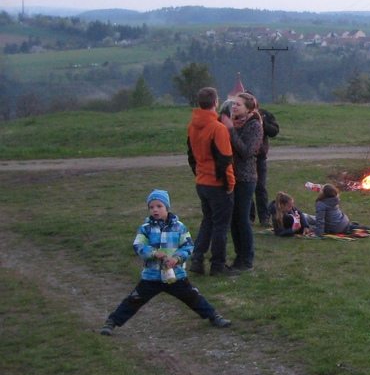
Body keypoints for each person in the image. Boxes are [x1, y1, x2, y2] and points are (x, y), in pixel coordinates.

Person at [100, 189, 231, 335]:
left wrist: (177, 259)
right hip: (151, 277)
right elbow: (138, 246)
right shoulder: (145, 229)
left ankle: (213, 316)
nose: (155, 210)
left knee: (193, 297)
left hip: (176, 275)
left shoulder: (179, 227)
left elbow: (188, 246)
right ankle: (112, 322)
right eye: (151, 207)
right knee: (134, 300)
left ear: (167, 207)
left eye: (159, 206)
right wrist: (153, 253)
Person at [186, 86, 238, 277]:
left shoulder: (192, 126)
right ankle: (218, 265)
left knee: (207, 221)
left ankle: (197, 260)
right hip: (217, 184)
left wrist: (198, 173)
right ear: (216, 102)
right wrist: (230, 184)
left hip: (202, 181)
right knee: (220, 226)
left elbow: (191, 155)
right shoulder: (218, 128)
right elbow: (225, 159)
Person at [223, 91, 263, 271]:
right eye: (233, 104)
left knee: (242, 218)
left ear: (249, 109)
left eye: (238, 104)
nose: (234, 107)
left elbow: (247, 152)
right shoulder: (235, 124)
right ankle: (239, 257)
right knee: (233, 219)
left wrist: (230, 130)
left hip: (246, 179)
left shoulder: (255, 126)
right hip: (231, 177)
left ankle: (247, 260)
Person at [251, 104, 281, 227]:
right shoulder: (239, 116)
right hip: (244, 158)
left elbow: (274, 131)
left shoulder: (264, 114)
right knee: (246, 189)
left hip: (260, 158)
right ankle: (249, 218)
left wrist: (262, 122)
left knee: (261, 187)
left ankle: (264, 217)